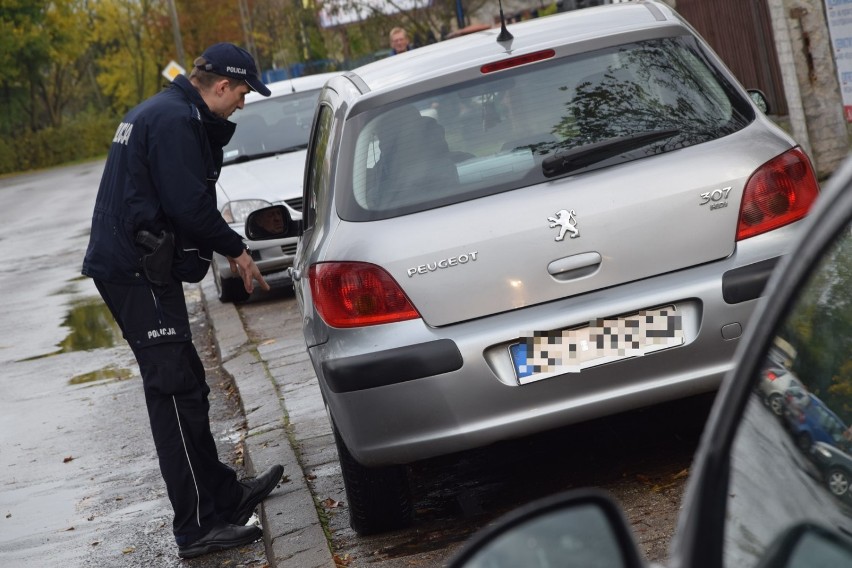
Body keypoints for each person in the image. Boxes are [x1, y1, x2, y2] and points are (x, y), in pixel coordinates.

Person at [81, 42, 284, 559]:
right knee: (172, 394)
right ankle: (196, 528)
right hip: (135, 271)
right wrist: (236, 249)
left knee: (189, 385)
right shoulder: (173, 121)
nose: (241, 104)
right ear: (220, 85)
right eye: (241, 93)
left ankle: (222, 496)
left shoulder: (162, 110)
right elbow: (188, 206)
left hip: (139, 265)